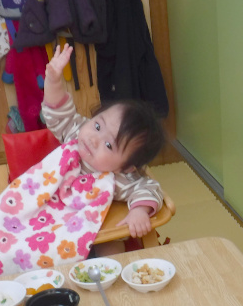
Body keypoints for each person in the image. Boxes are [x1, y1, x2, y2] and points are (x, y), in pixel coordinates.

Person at [42, 43, 166, 253]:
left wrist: (139, 211)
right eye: (98, 125)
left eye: (109, 145)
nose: (94, 139)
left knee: (113, 246)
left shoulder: (118, 179)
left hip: (94, 233)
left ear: (127, 167)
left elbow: (149, 188)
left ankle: (106, 281)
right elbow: (58, 114)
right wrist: (54, 80)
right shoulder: (75, 132)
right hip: (52, 224)